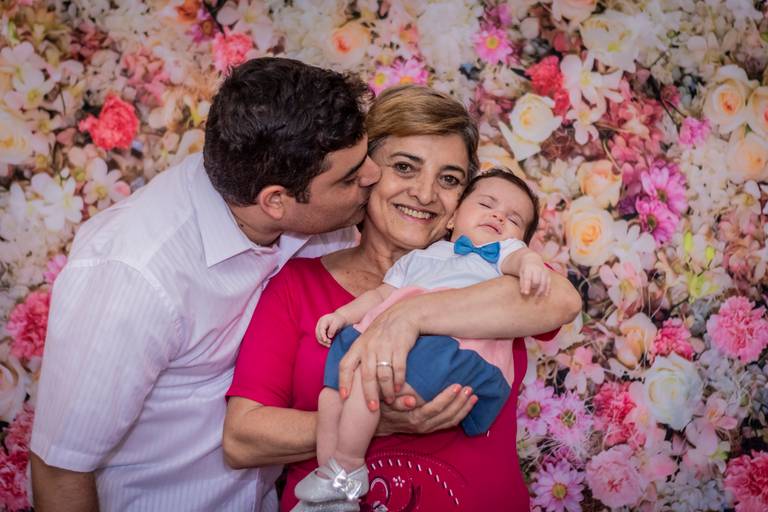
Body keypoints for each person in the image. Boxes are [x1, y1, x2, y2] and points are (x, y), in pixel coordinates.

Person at [29, 57, 381, 512]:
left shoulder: (319, 217)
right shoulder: (134, 274)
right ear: (275, 201)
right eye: (350, 177)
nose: (373, 175)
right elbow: (59, 468)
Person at [223, 85, 582, 511]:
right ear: (365, 172)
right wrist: (373, 420)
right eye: (405, 167)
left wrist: (409, 315)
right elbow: (242, 440)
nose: (425, 194)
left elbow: (562, 302)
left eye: (449, 179)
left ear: (460, 201)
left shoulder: (491, 268)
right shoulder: (298, 285)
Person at [295, 169, 551, 508]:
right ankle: (332, 487)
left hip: (452, 349)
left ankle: (349, 466)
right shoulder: (419, 258)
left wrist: (530, 262)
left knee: (365, 386)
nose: (498, 216)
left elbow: (522, 259)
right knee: (330, 398)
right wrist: (343, 315)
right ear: (452, 218)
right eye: (486, 204)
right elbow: (381, 295)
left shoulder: (502, 257)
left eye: (513, 219)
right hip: (391, 338)